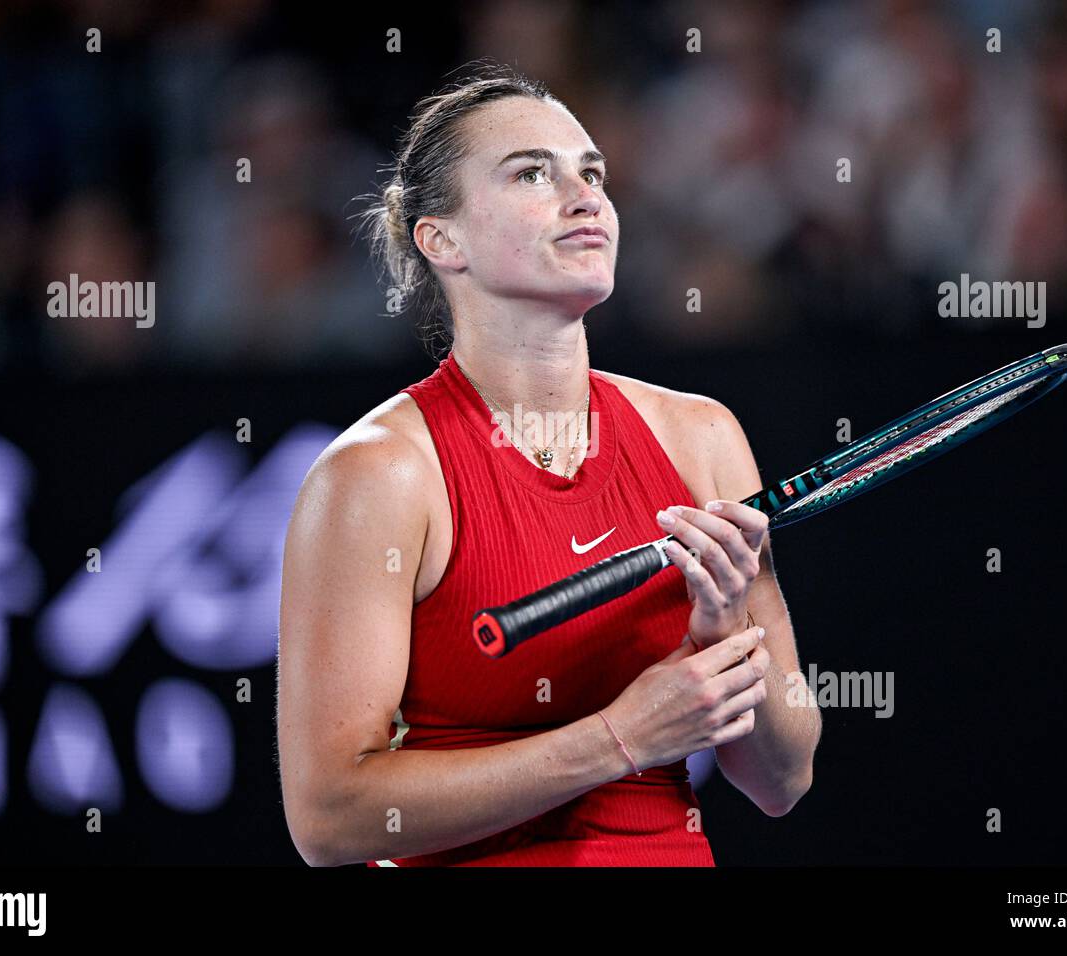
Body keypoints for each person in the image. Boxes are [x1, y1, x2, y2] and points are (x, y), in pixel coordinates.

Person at [276, 63, 820, 866]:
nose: (586, 195)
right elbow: (330, 818)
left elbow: (783, 779)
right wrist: (619, 739)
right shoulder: (377, 476)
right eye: (533, 172)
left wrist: (722, 634)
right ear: (442, 238)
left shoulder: (703, 437)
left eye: (591, 172)